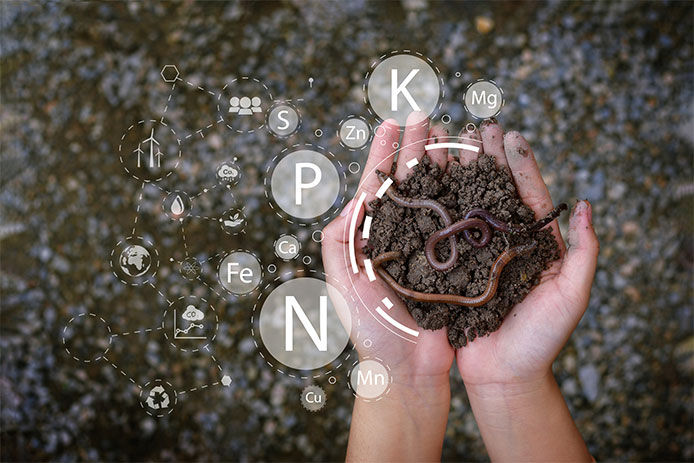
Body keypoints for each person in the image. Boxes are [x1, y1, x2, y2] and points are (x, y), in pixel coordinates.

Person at [321, 113, 599, 462]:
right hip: (465, 242)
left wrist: (400, 379)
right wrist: (512, 384)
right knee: (458, 231)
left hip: (470, 241)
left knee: (466, 233)